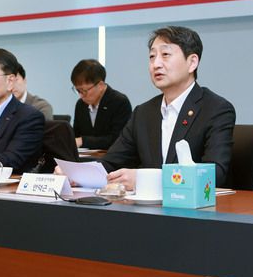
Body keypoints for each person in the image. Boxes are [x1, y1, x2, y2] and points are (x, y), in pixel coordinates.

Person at [92, 26, 236, 190]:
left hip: (194, 205)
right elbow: (111, 163)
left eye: (165, 54)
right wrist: (77, 175)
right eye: (152, 56)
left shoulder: (216, 109)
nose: (156, 64)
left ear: (192, 63)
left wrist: (145, 180)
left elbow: (214, 174)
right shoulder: (143, 113)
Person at [70, 59, 132, 150]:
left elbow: (118, 139)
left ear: (100, 85)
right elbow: (76, 135)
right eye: (78, 90)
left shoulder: (119, 102)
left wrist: (83, 141)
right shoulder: (80, 105)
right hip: (85, 156)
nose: (81, 95)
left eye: (84, 91)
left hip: (112, 156)